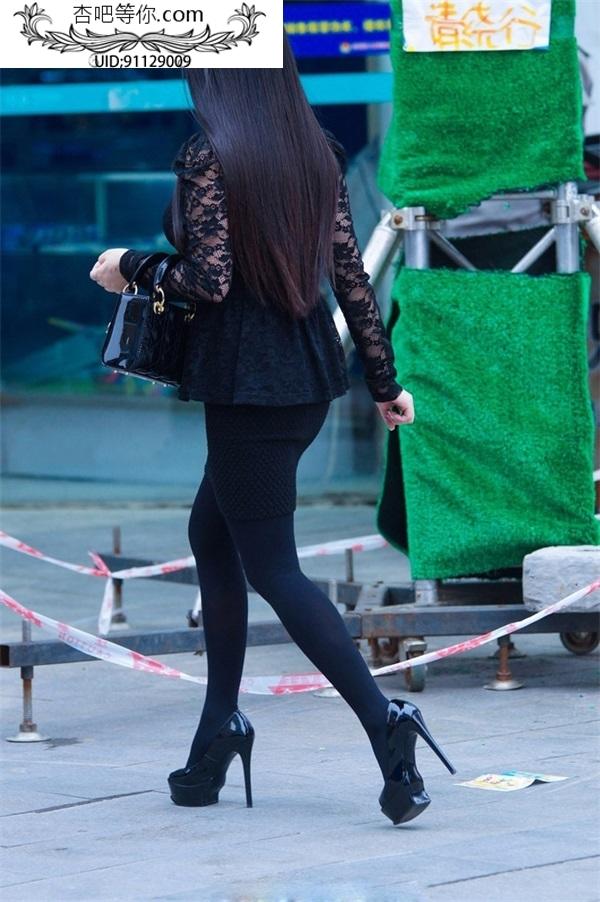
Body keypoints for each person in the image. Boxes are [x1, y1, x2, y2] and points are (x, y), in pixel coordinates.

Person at [89, 34, 455, 826]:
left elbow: (209, 279)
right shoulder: (314, 152)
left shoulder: (210, 154)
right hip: (303, 380)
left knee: (274, 570)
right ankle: (216, 732)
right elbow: (351, 276)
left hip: (248, 389)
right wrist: (385, 384)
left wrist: (130, 264)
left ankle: (386, 723)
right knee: (212, 534)